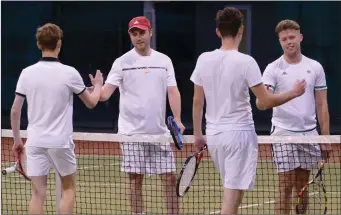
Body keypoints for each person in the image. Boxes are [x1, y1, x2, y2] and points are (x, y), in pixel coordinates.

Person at [190, 8, 307, 214]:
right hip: (239, 136)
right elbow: (265, 101)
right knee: (231, 196)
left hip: (215, 137)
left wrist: (198, 134)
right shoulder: (246, 62)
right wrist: (294, 93)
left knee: (236, 193)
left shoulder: (203, 59)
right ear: (241, 30)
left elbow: (197, 101)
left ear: (218, 32)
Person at [11, 23, 104, 214]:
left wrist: (17, 141)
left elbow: (14, 111)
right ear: (59, 44)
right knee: (68, 189)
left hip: (35, 142)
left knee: (37, 194)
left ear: (38, 44)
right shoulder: (70, 73)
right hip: (60, 142)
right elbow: (91, 103)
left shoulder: (26, 73)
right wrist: (98, 87)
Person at [98, 16, 184, 214]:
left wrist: (177, 119)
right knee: (135, 178)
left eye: (142, 33)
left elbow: (173, 91)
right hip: (131, 133)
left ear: (150, 32)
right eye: (134, 34)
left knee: (169, 177)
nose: (138, 37)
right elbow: (105, 93)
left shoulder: (164, 61)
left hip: (159, 132)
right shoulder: (121, 62)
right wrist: (94, 89)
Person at [261, 19, 332, 214]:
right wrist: (288, 92)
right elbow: (264, 101)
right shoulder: (272, 68)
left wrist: (325, 137)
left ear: (300, 37)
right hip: (283, 133)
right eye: (284, 39)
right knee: (285, 186)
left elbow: (321, 104)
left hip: (309, 134)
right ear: (280, 41)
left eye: (292, 37)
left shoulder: (315, 67)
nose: (289, 41)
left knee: (302, 187)